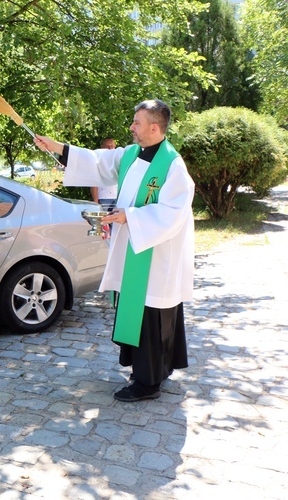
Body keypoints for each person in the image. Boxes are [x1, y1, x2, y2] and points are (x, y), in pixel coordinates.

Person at [34, 99, 194, 402]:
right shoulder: (131, 155)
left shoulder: (172, 166)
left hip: (156, 255)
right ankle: (153, 369)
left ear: (154, 127)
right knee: (141, 311)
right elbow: (96, 162)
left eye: (137, 123)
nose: (131, 128)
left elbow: (175, 211)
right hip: (133, 248)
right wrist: (55, 146)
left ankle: (148, 384)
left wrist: (129, 217)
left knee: (153, 314)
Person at [90, 137, 118, 211]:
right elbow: (93, 183)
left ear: (115, 147)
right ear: (102, 147)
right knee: (103, 221)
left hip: (117, 199)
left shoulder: (118, 161)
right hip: (103, 198)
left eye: (111, 146)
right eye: (107, 146)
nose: (110, 148)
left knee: (115, 222)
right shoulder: (97, 162)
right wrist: (95, 200)